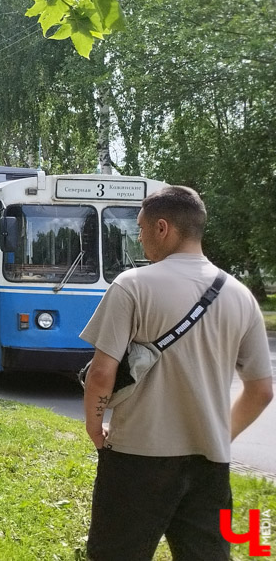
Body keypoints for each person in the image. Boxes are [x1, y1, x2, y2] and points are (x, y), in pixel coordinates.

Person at [80, 186, 272, 561]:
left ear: (162, 228)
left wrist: (94, 425)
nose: (139, 237)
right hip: (208, 461)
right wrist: (220, 433)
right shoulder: (240, 295)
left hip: (137, 456)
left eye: (140, 228)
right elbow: (261, 390)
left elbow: (102, 374)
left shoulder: (132, 286)